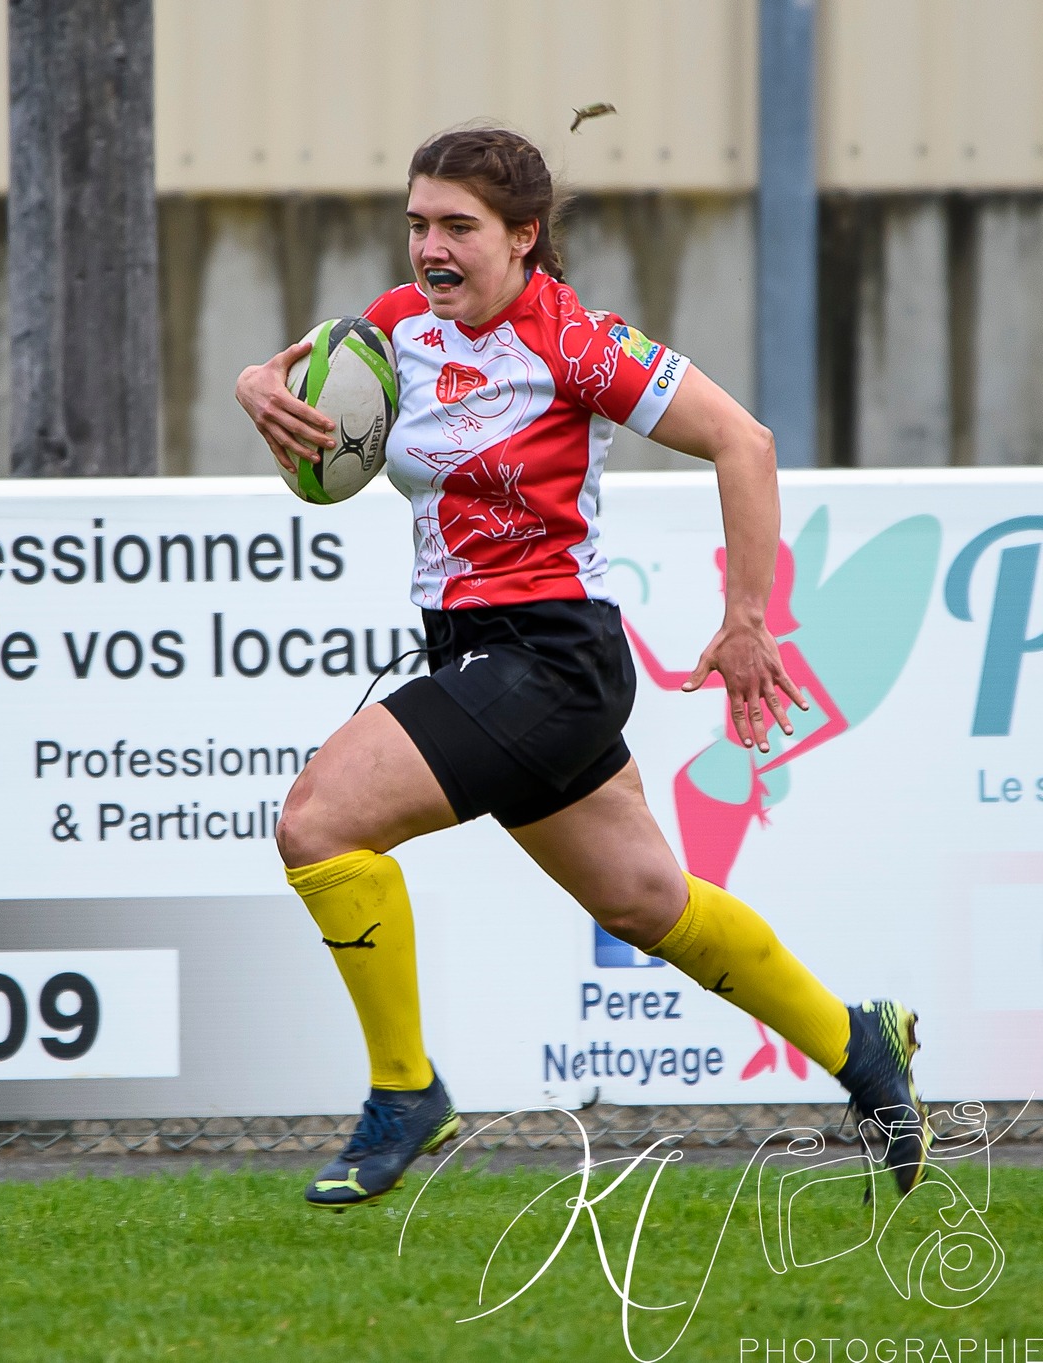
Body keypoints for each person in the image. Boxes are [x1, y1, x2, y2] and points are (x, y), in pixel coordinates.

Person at [234, 128, 928, 1210]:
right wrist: (255, 386)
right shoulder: (395, 324)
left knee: (318, 822)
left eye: (457, 227)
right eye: (416, 222)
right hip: (478, 655)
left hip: (550, 658)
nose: (429, 248)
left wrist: (746, 620)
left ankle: (403, 1091)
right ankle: (861, 1044)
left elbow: (741, 443)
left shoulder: (575, 342)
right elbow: (307, 379)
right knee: (651, 903)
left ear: (523, 237)